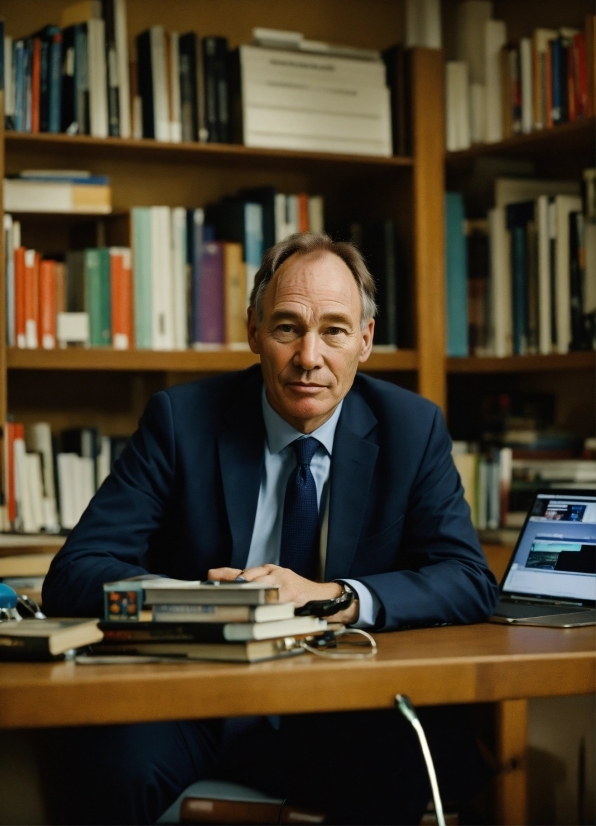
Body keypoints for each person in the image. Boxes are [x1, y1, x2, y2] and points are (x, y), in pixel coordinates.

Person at [42, 232, 499, 825]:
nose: (309, 356)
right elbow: (76, 572)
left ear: (364, 340)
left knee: (412, 771)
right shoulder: (182, 421)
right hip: (200, 700)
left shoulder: (413, 429)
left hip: (345, 710)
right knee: (108, 771)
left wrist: (331, 598)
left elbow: (467, 577)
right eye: (288, 328)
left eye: (334, 330)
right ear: (254, 330)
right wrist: (210, 606)